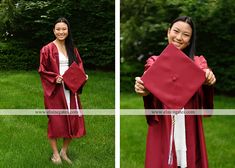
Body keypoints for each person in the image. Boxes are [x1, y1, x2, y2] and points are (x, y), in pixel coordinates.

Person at [135, 16, 216, 168]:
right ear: (168, 32)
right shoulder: (154, 62)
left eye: (186, 34)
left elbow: (205, 86)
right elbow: (148, 84)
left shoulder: (199, 63)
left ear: (190, 40)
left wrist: (208, 81)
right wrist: (144, 91)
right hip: (165, 124)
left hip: (190, 125)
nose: (179, 37)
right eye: (176, 31)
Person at [38, 17, 87, 164]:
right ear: (53, 30)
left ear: (68, 30)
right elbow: (42, 70)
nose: (61, 32)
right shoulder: (47, 49)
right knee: (55, 121)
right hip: (55, 91)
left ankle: (64, 152)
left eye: (64, 29)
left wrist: (82, 77)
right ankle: (55, 155)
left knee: (72, 120)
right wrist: (54, 78)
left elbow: (79, 66)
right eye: (58, 29)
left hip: (71, 90)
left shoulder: (72, 48)